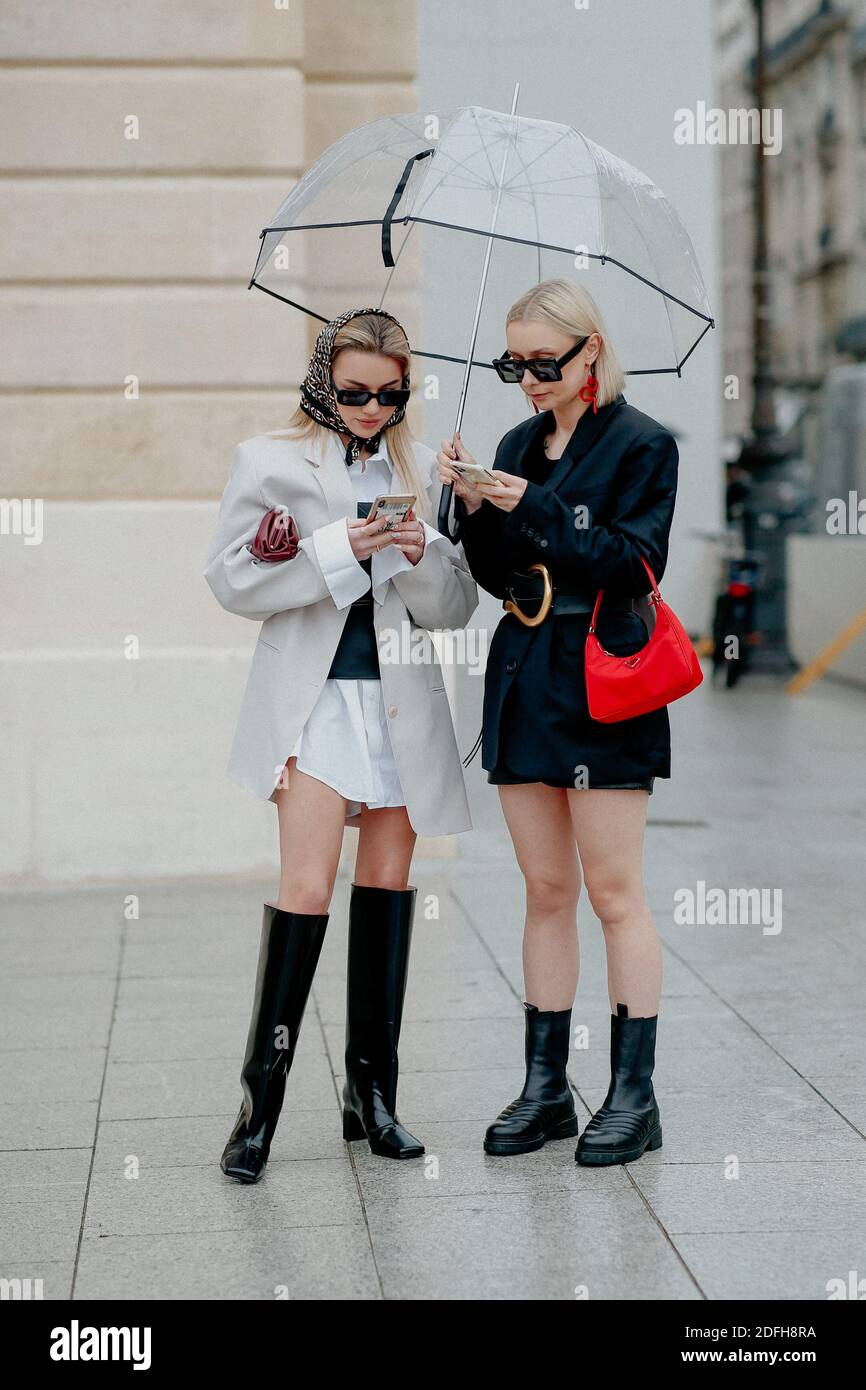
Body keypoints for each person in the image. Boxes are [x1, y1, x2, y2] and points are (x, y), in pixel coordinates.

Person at [205, 307, 478, 1182]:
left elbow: (454, 607)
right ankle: (259, 1109)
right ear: (326, 380)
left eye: (390, 393)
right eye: (356, 391)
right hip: (313, 703)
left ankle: (374, 1098)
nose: (372, 408)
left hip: (400, 701)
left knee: (389, 885)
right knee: (306, 888)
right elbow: (233, 580)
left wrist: (421, 547)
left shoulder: (418, 468)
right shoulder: (270, 460)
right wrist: (336, 547)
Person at [437, 278, 679, 1167]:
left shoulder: (644, 444)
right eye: (515, 364)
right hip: (527, 666)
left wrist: (526, 502)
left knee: (615, 893)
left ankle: (632, 1096)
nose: (530, 380)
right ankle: (545, 1091)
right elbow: (501, 573)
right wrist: (469, 504)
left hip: (605, 669)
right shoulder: (516, 442)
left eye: (544, 363)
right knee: (545, 888)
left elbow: (629, 561)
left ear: (591, 353)